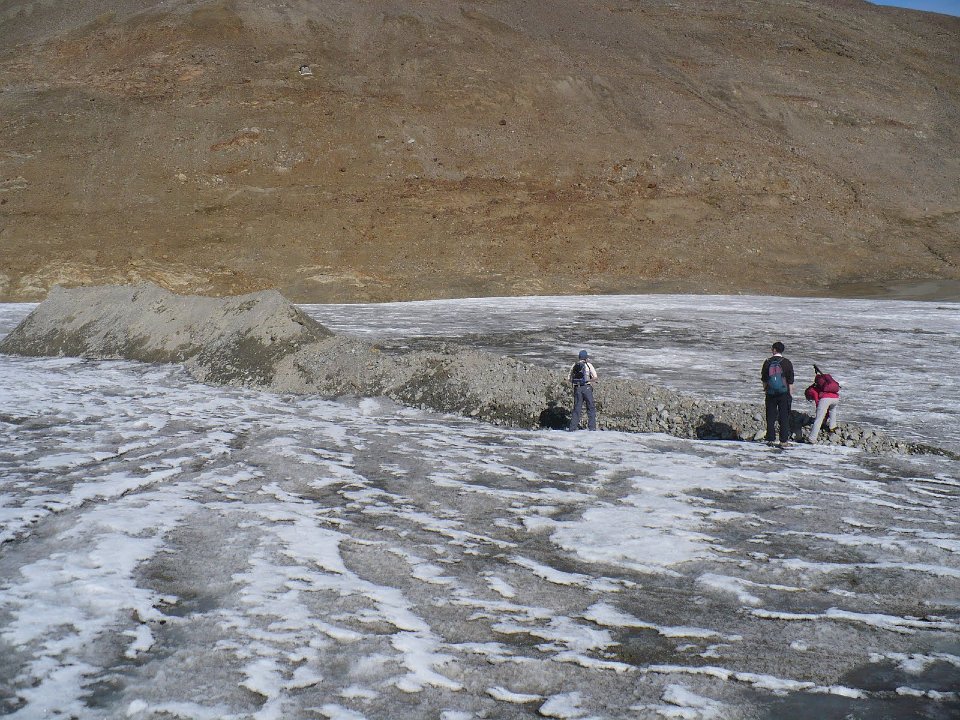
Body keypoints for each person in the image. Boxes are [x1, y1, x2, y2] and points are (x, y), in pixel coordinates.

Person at [760, 341, 794, 446]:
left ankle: (771, 439)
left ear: (774, 350)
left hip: (770, 393)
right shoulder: (787, 362)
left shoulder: (767, 362)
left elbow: (764, 378)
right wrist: (790, 394)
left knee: (770, 416)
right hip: (784, 393)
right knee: (784, 416)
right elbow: (790, 380)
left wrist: (766, 389)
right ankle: (783, 440)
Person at [805, 365, 841, 443]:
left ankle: (812, 438)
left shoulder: (813, 390)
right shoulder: (827, 384)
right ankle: (833, 427)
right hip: (836, 398)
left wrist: (823, 418)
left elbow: (818, 403)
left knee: (819, 419)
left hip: (826, 398)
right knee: (832, 410)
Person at [568, 349, 598, 431]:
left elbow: (569, 379)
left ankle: (572, 429)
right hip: (586, 388)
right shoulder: (588, 365)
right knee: (590, 408)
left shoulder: (574, 365)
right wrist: (588, 380)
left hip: (577, 388)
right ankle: (592, 428)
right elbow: (595, 377)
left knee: (577, 409)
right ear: (586, 357)